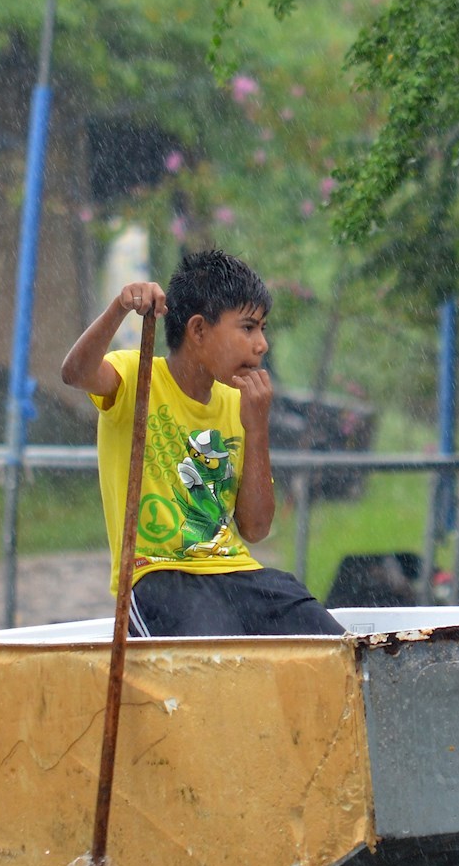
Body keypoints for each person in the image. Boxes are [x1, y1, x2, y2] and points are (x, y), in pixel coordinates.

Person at [60, 248, 345, 637]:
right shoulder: (138, 375)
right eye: (247, 328)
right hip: (161, 575)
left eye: (263, 328)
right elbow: (76, 373)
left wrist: (257, 427)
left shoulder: (239, 401)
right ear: (197, 331)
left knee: (330, 644)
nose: (261, 344)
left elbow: (256, 527)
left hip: (236, 573)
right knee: (216, 659)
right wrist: (119, 308)